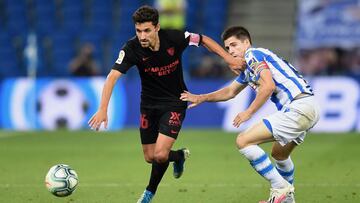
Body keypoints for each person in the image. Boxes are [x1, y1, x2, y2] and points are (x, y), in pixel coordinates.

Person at [88, 6, 242, 203]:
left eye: (147, 30)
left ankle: (148, 193)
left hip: (175, 102)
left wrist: (228, 59)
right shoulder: (131, 49)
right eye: (138, 31)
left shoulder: (175, 38)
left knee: (160, 155)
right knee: (150, 156)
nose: (142, 36)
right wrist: (102, 109)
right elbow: (111, 78)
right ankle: (178, 157)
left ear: (157, 27)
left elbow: (203, 40)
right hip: (148, 105)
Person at [180, 26, 320, 203]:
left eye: (234, 45)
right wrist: (202, 97)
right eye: (228, 48)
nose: (231, 51)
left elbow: (268, 87)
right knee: (279, 154)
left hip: (297, 107)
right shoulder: (248, 68)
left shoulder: (252, 54)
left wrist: (249, 112)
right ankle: (287, 199)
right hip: (310, 107)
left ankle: (280, 187)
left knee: (243, 141)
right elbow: (230, 92)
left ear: (246, 42)